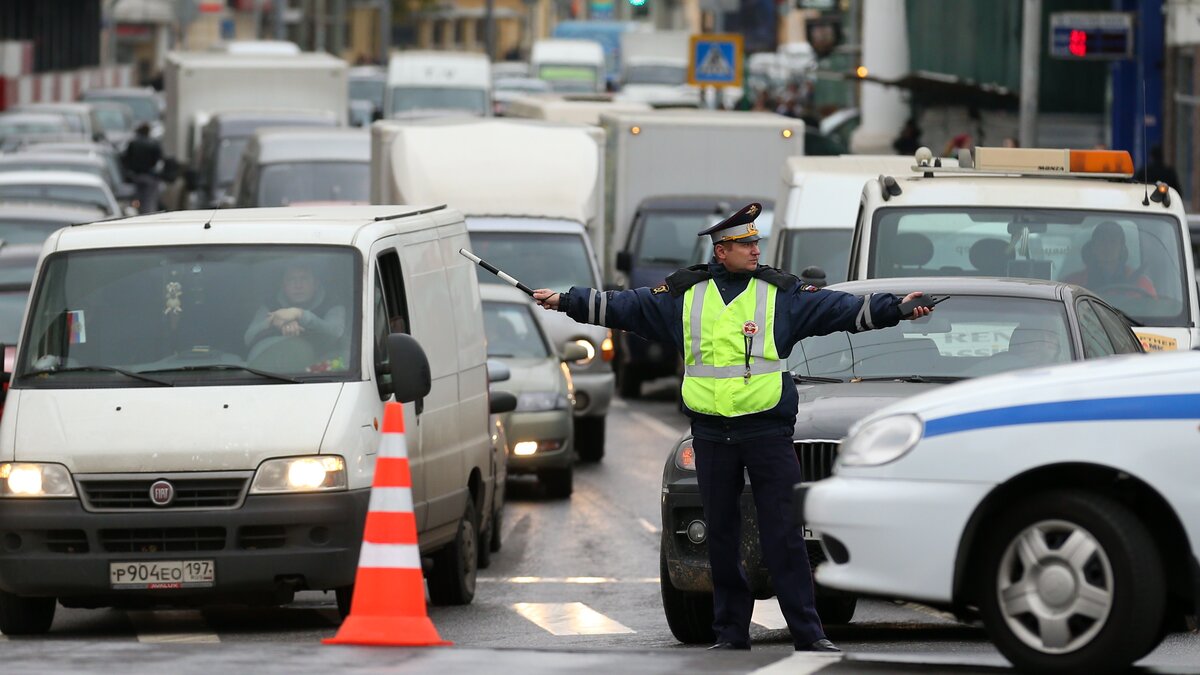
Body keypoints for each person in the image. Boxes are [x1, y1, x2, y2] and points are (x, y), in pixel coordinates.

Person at [532, 203, 933, 653]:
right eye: (746, 244)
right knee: (721, 535)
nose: (756, 250)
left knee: (784, 533)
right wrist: (565, 301)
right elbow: (627, 306)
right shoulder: (686, 294)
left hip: (767, 432)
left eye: (756, 242)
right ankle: (730, 634)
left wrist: (896, 309)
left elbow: (838, 309)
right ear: (721, 251)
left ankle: (809, 631)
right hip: (711, 434)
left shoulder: (779, 293)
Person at [244, 264, 347, 364]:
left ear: (316, 284)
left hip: (321, 372)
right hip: (269, 370)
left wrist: (299, 314)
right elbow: (248, 338)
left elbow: (336, 334)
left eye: (304, 279)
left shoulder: (332, 303)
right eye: (291, 279)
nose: (298, 285)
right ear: (283, 285)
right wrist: (273, 321)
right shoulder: (271, 304)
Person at [1064, 220, 1156, 298]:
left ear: (1121, 249)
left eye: (1113, 241)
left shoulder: (1141, 284)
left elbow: (1153, 309)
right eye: (1102, 241)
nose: (1107, 247)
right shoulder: (1072, 285)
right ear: (1093, 248)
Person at [121, 122, 162, 214]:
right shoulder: (154, 144)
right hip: (149, 176)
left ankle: (136, 211)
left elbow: (126, 159)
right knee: (149, 200)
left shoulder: (133, 144)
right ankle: (147, 214)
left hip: (135, 176)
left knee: (135, 198)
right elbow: (158, 160)